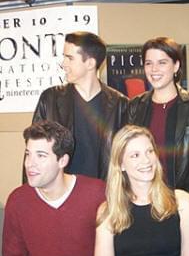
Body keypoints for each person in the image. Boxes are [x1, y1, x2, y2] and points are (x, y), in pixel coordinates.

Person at [94, 125, 189, 256]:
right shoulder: (108, 210)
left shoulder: (182, 201)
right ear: (121, 164)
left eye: (149, 151)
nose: (146, 161)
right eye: (135, 155)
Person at [127, 37, 189, 219]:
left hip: (184, 201)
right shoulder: (135, 106)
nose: (154, 70)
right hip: (143, 200)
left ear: (176, 66)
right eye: (149, 63)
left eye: (162, 63)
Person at [1, 121, 105, 256]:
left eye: (41, 156)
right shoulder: (18, 201)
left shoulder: (97, 193)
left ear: (62, 160)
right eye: (28, 154)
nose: (29, 164)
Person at [32, 31, 128, 180]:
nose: (63, 64)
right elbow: (34, 151)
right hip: (61, 194)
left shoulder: (120, 104)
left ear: (90, 63)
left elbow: (128, 157)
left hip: (105, 195)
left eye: (70, 58)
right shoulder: (50, 99)